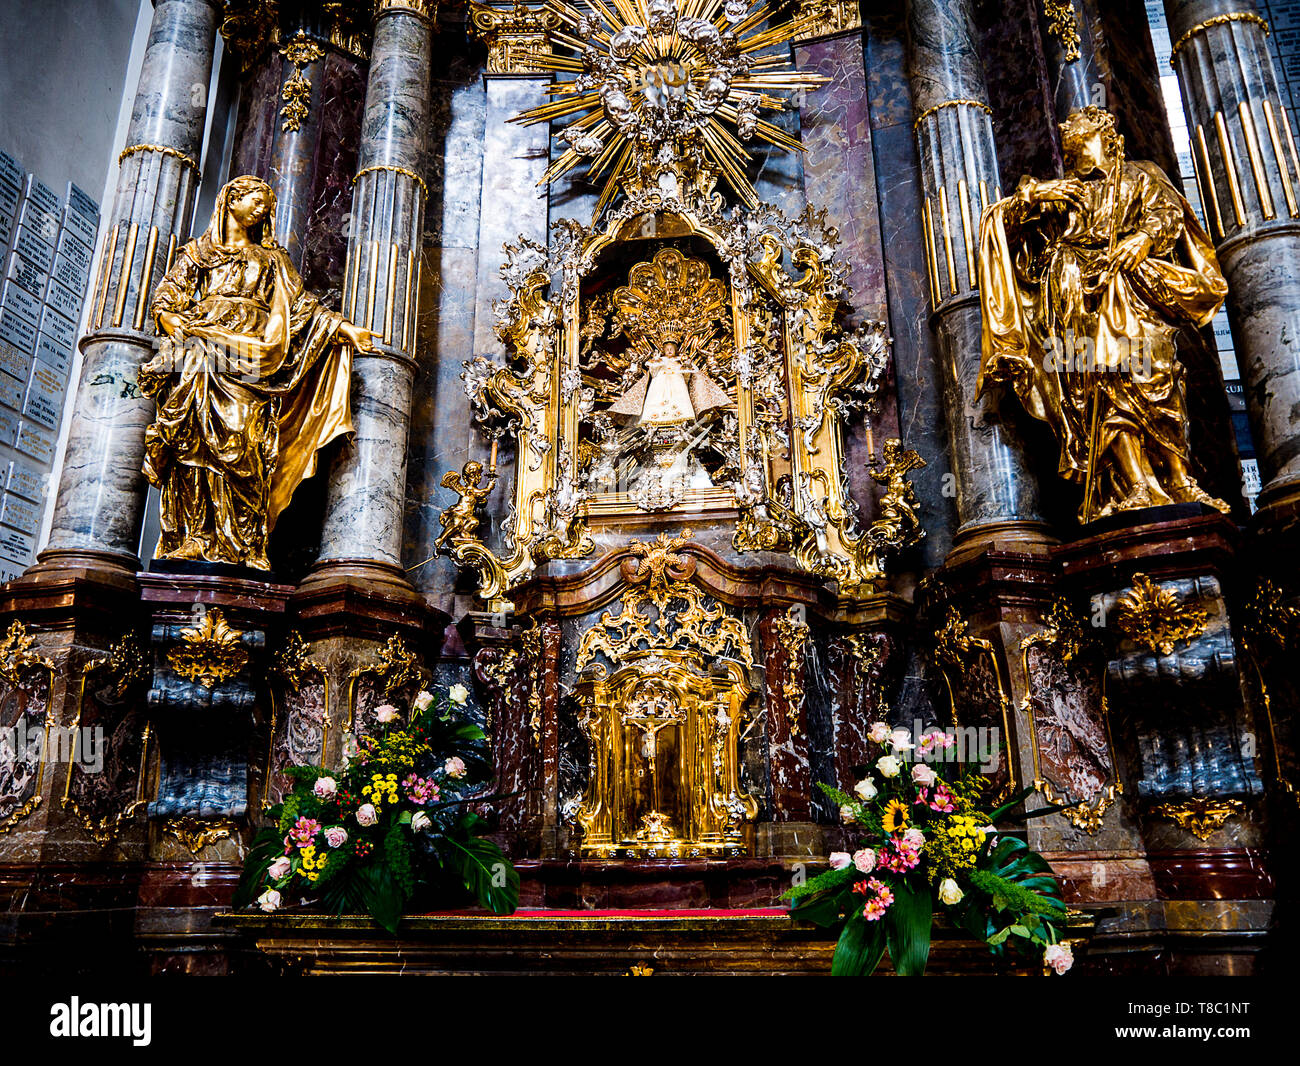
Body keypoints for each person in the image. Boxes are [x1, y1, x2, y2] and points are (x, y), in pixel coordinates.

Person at [978, 106, 1230, 521]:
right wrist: (1036, 194)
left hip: (1134, 290)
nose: (1067, 131)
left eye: (1078, 129)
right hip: (1074, 299)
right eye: (1067, 136)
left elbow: (1170, 214)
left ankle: (1178, 476)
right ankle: (1135, 482)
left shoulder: (1140, 174)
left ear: (1104, 135)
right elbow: (1000, 229)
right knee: (1098, 384)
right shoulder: (1061, 191)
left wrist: (1144, 239)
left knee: (1155, 372)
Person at [139, 176, 377, 569]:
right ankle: (194, 537)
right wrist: (170, 321)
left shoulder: (272, 260)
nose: (261, 212)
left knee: (245, 442)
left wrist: (343, 329)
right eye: (255, 202)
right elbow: (166, 297)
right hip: (202, 352)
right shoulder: (199, 253)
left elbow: (301, 308)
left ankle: (242, 544)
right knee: (192, 443)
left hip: (254, 361)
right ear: (231, 199)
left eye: (266, 208)